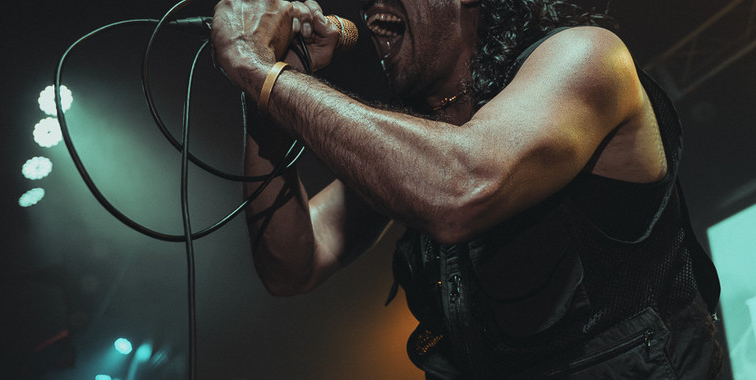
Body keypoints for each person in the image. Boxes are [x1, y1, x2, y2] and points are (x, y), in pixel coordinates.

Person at [210, 0, 722, 378]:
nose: (370, 10)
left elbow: (459, 187)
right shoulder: (416, 141)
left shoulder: (585, 56)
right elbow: (292, 262)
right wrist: (270, 95)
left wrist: (257, 68)